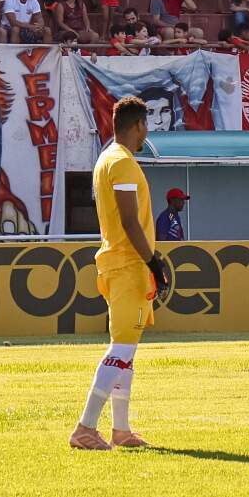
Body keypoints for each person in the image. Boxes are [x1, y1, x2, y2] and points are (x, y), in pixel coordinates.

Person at [71, 96, 161, 451]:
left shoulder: (106, 159)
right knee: (121, 347)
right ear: (138, 125)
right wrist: (152, 259)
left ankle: (120, 429)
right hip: (127, 265)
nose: (146, 133)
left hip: (120, 263)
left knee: (127, 349)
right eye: (145, 126)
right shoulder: (122, 163)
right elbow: (128, 218)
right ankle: (85, 427)